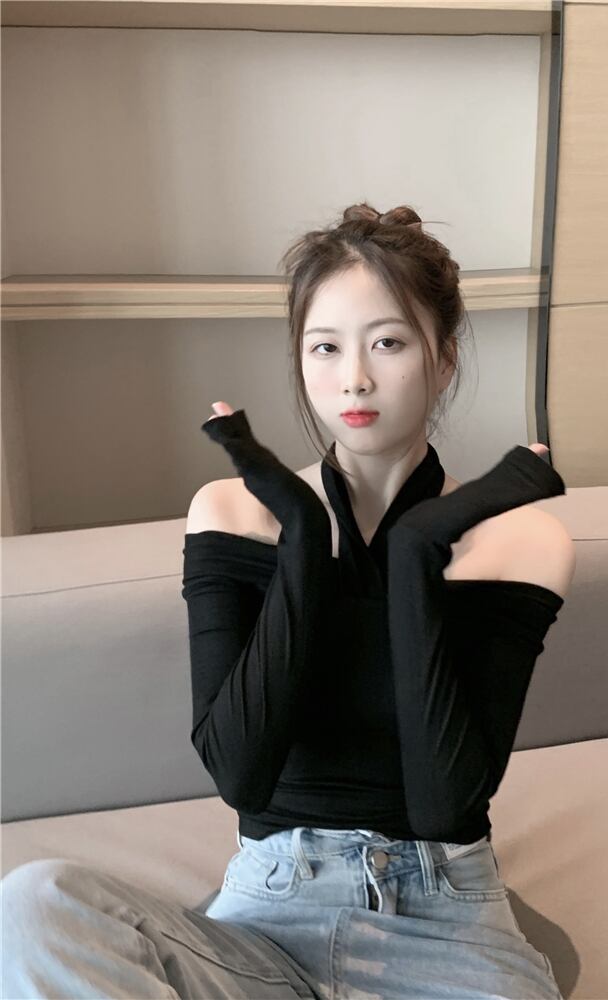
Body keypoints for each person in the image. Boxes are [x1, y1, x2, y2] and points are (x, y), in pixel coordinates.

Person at [1, 202, 574, 999]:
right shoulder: (233, 512)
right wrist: (303, 541)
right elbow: (242, 775)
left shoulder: (522, 542)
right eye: (325, 347)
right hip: (265, 923)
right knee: (36, 903)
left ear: (444, 360)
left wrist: (415, 554)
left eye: (389, 343)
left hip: (446, 928)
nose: (355, 378)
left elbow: (444, 801)